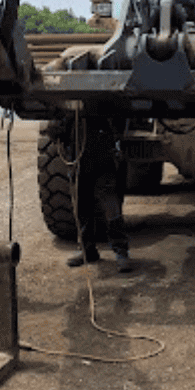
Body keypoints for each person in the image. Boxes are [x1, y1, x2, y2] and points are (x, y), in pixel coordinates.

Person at [67, 117, 135, 273]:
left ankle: (121, 251)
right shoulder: (71, 104)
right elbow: (57, 128)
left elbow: (119, 123)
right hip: (79, 158)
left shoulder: (101, 100)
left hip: (104, 159)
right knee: (82, 205)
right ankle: (87, 250)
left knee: (111, 205)